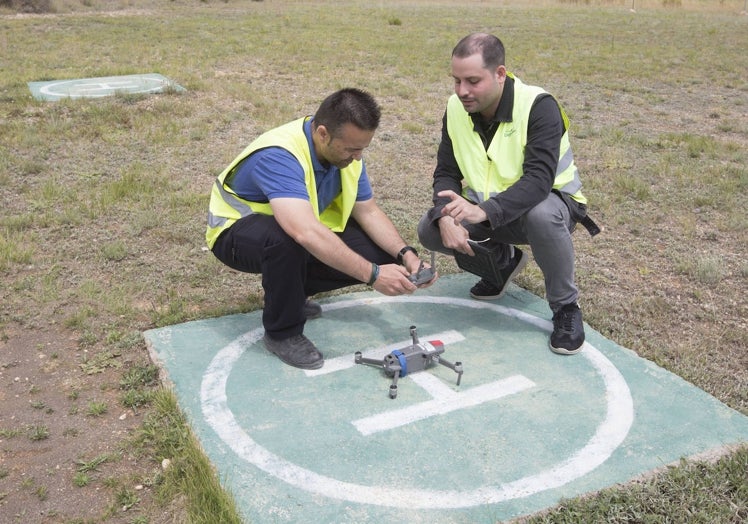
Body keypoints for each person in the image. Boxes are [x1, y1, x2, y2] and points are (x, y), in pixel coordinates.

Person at [207, 88, 436, 370]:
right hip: (234, 234)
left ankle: (290, 294)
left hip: (296, 227)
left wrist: (406, 255)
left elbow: (369, 211)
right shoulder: (280, 155)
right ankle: (283, 333)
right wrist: (373, 275)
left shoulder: (347, 154)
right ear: (323, 133)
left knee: (381, 254)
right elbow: (303, 231)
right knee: (287, 240)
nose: (357, 156)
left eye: (363, 148)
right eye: (352, 148)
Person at [417, 33, 599, 356]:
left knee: (541, 215)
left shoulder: (539, 106)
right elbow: (446, 171)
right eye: (456, 81)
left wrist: (482, 211)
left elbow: (539, 181)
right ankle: (501, 264)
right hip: (493, 211)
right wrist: (445, 214)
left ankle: (566, 308)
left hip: (551, 205)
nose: (462, 91)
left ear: (500, 74)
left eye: (473, 81)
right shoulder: (455, 108)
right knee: (429, 230)